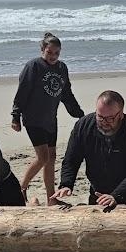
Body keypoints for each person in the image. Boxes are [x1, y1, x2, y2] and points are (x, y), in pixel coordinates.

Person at [11, 33, 85, 204]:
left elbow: (66, 93)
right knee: (43, 157)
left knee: (51, 158)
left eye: (56, 53)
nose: (53, 56)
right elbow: (22, 91)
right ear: (42, 50)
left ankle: (51, 199)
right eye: (49, 52)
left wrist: (78, 113)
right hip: (33, 119)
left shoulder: (62, 68)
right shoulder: (33, 66)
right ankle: (21, 188)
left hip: (50, 120)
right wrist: (16, 115)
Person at [54, 90, 126, 208]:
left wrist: (115, 196)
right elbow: (71, 159)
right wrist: (66, 184)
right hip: (98, 194)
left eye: (110, 118)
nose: (104, 122)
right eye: (100, 117)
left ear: (121, 114)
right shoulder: (83, 126)